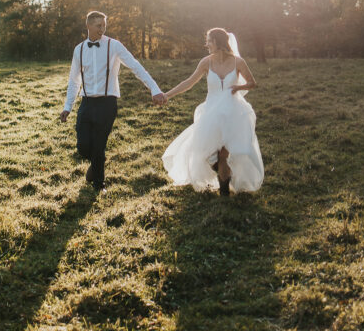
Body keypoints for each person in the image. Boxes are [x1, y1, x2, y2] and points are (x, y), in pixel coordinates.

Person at [60, 10, 163, 192]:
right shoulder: (79, 49)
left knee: (99, 146)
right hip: (86, 103)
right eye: (99, 25)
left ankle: (99, 184)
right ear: (88, 25)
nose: (102, 29)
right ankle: (96, 162)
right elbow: (74, 80)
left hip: (107, 104)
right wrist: (68, 106)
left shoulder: (114, 46)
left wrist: (154, 89)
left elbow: (135, 67)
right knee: (83, 146)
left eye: (104, 25)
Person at [160, 28, 263, 196]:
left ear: (217, 42)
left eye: (208, 41)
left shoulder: (238, 62)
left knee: (223, 154)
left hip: (233, 113)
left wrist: (239, 87)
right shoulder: (206, 62)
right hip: (212, 114)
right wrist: (167, 95)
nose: (206, 44)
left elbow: (252, 83)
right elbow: (188, 82)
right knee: (207, 153)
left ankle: (224, 194)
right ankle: (223, 174)